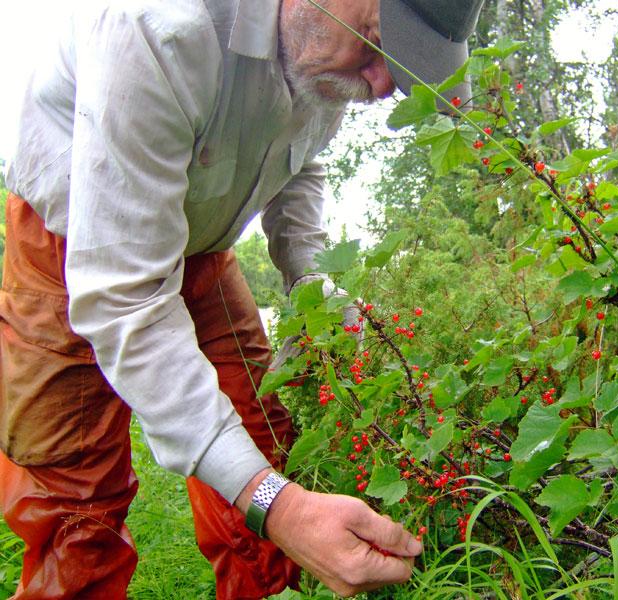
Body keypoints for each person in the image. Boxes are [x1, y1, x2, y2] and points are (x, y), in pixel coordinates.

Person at [0, 0, 483, 597]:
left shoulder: (323, 54)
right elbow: (126, 298)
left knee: (261, 440)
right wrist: (278, 507)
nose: (382, 85)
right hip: (71, 248)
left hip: (205, 250)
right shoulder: (155, 24)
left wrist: (310, 280)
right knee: (75, 502)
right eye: (377, 42)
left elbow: (302, 159)